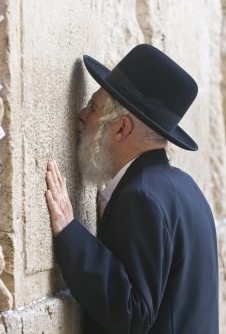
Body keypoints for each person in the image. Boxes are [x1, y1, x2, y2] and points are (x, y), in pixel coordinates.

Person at [45, 44, 218, 333]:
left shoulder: (142, 198)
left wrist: (70, 233)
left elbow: (133, 312)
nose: (82, 114)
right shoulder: (186, 189)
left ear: (122, 129)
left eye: (93, 106)